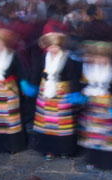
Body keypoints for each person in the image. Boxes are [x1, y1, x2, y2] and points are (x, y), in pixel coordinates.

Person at [30, 27, 82, 160]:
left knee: (63, 124)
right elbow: (36, 73)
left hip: (62, 95)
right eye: (51, 47)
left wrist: (75, 93)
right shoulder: (43, 59)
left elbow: (73, 77)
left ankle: (64, 150)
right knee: (46, 124)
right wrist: (32, 85)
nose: (53, 49)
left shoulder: (67, 59)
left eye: (56, 47)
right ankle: (48, 149)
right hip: (45, 94)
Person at [77, 40, 112, 170]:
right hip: (92, 107)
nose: (101, 60)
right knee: (93, 136)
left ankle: (108, 162)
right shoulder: (88, 69)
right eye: (98, 57)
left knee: (107, 137)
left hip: (107, 107)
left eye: (104, 57)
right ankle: (93, 159)